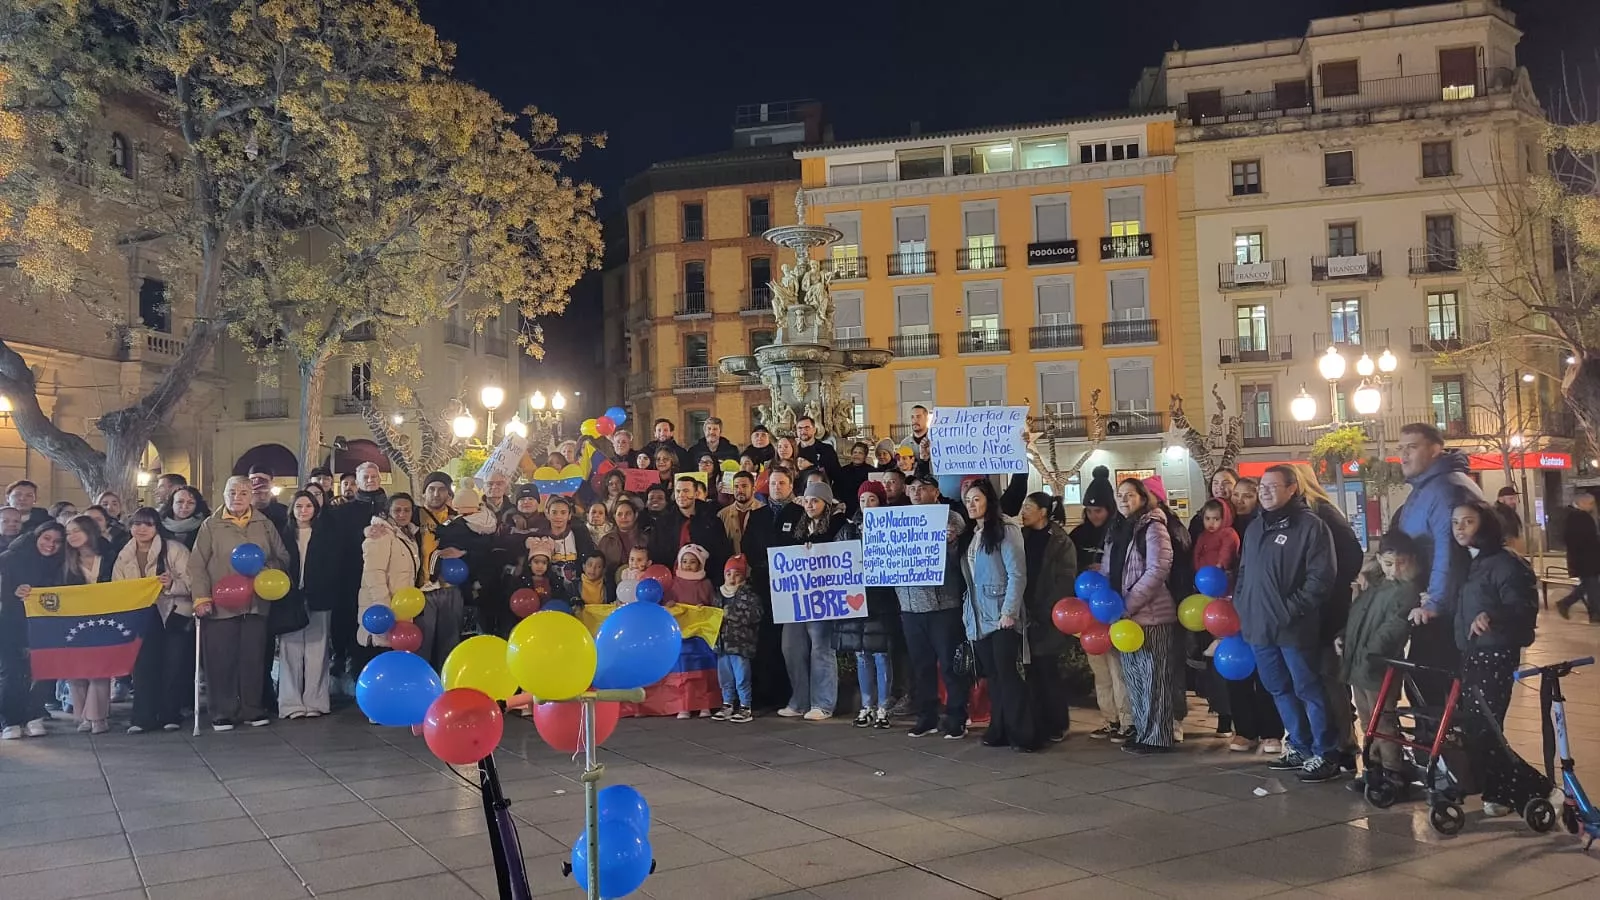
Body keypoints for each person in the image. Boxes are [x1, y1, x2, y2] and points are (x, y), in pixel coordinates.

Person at [1234, 464, 1341, 782]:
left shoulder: (1310, 527)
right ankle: (1299, 746)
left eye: (1272, 486)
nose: (1264, 491)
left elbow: (1321, 578)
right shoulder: (1255, 528)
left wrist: (1289, 609)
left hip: (1294, 627)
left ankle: (1326, 752)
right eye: (1261, 487)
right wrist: (1242, 604)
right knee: (1278, 688)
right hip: (1259, 627)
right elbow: (1244, 573)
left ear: (1292, 488)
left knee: (1308, 687)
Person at [1449, 499, 1542, 817]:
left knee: (1485, 725)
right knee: (1477, 726)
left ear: (1485, 524)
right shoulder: (1469, 562)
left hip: (1495, 653)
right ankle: (1498, 789)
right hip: (1472, 652)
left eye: (1468, 521)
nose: (1460, 528)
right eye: (1455, 522)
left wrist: (1492, 616)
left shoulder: (1505, 562)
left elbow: (1523, 608)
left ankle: (1529, 790)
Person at [1390, 423, 1482, 701]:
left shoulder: (1444, 489)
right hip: (1436, 600)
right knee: (1425, 682)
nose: (1403, 455)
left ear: (1435, 450)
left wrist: (1434, 604)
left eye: (1412, 447)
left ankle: (1440, 742)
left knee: (1428, 682)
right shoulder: (1430, 486)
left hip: (1446, 609)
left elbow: (1447, 551)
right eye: (1400, 448)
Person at [189, 477, 288, 731]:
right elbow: (197, 565)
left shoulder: (263, 524)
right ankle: (222, 711)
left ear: (251, 496)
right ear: (223, 494)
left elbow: (282, 557)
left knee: (252, 658)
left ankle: (252, 709)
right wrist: (201, 598)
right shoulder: (211, 525)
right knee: (220, 659)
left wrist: (265, 570)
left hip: (255, 603)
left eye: (243, 492)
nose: (237, 497)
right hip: (221, 604)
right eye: (232, 492)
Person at [1287, 462, 1365, 772]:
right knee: (1316, 676)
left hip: (1328, 609)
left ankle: (1342, 743)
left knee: (1329, 676)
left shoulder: (1322, 513)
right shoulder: (1303, 515)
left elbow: (1351, 556)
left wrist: (1325, 584)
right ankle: (1330, 741)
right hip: (1313, 610)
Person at [1338, 531, 1421, 794]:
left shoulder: (1407, 591)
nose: (1394, 569)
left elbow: (1393, 628)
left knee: (1383, 720)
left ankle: (1393, 770)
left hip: (1379, 666)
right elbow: (1356, 618)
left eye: (1401, 563)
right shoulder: (1375, 587)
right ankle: (1373, 766)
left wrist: (1372, 653)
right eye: (1388, 563)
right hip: (1359, 665)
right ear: (1379, 560)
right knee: (1367, 720)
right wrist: (1342, 637)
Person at [1102, 479, 1178, 755]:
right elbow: (1109, 570)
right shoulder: (1118, 529)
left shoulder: (1153, 526)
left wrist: (1129, 603)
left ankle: (1158, 736)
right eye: (1120, 495)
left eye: (1130, 495)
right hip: (1123, 618)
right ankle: (1144, 731)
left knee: (1154, 679)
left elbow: (1158, 568)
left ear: (1143, 498)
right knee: (1134, 679)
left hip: (1151, 615)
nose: (1124, 500)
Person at [959, 479, 1033, 751]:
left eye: (976, 499)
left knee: (1008, 675)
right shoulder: (974, 534)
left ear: (989, 500)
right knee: (994, 676)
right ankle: (999, 728)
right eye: (968, 500)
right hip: (979, 617)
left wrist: (1009, 611)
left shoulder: (1006, 530)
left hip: (1001, 614)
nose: (971, 505)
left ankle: (1023, 732)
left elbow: (1017, 573)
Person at [896, 475, 969, 739]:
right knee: (921, 666)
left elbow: (957, 562)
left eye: (923, 488)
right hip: (910, 607)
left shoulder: (951, 519)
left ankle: (956, 717)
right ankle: (926, 717)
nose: (916, 493)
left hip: (943, 607)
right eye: (912, 488)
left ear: (935, 492)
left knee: (950, 666)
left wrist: (951, 544)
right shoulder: (897, 520)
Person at [117, 507, 192, 733]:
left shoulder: (175, 550)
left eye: (147, 524)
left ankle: (171, 714)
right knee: (142, 667)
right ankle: (142, 717)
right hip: (140, 617)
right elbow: (117, 586)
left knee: (173, 664)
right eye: (137, 524)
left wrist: (171, 585)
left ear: (157, 527)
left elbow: (192, 582)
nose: (141, 529)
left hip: (173, 613)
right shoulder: (124, 554)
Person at [778, 482, 846, 721]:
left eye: (815, 501)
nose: (809, 505)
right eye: (807, 501)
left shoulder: (837, 526)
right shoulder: (798, 527)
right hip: (796, 597)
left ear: (826, 503)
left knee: (821, 649)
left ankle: (823, 703)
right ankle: (799, 700)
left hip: (823, 597)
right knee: (791, 647)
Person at [834, 481, 898, 729]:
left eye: (872, 499)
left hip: (881, 598)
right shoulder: (849, 529)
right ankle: (867, 706)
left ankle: (883, 706)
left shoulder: (892, 526)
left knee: (881, 654)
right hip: (857, 598)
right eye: (863, 500)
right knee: (862, 654)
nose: (867, 504)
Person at [1016, 491, 1077, 744]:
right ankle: (1037, 720)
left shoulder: (1060, 542)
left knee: (1047, 669)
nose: (1024, 511)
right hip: (1024, 613)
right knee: (1031, 671)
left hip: (1047, 615)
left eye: (1029, 507)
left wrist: (1043, 611)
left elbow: (1065, 580)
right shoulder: (1021, 536)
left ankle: (1057, 723)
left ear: (1043, 512)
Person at [0, 523, 69, 739]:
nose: (51, 545)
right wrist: (14, 592)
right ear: (37, 536)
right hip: (10, 623)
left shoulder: (61, 563)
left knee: (41, 671)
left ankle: (34, 715)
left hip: (45, 625)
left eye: (57, 541)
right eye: (47, 538)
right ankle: (10, 720)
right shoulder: (11, 558)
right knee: (12, 673)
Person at [277, 491, 336, 719]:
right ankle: (290, 703)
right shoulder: (283, 534)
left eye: (308, 506)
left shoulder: (327, 535)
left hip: (319, 597)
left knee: (317, 650)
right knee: (289, 650)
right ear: (292, 509)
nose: (303, 510)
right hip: (289, 598)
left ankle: (316, 701)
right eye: (299, 506)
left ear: (315, 509)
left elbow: (333, 565)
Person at [60, 515, 115, 733]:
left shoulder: (109, 557)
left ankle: (97, 717)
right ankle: (83, 715)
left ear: (89, 532)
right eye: (68, 532)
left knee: (100, 668)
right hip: (73, 620)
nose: (71, 536)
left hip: (105, 619)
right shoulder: (64, 561)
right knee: (76, 671)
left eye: (76, 531)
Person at [357, 494, 420, 673]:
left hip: (400, 609)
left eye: (406, 510)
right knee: (380, 663)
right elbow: (373, 573)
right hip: (383, 611)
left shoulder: (408, 535)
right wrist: (383, 606)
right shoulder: (381, 534)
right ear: (388, 512)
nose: (402, 514)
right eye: (397, 510)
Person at [647, 475, 731, 583]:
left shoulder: (712, 521)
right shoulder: (663, 522)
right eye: (678, 491)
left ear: (696, 494)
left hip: (705, 583)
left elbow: (721, 554)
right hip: (672, 583)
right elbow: (656, 553)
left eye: (686, 491)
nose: (681, 495)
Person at [713, 555, 760, 723]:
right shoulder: (719, 594)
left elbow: (754, 616)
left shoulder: (749, 595)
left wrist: (730, 615)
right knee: (725, 677)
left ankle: (745, 706)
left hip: (740, 645)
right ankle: (727, 704)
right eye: (728, 574)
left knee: (742, 677)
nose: (732, 578)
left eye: (736, 574)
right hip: (722, 645)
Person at [1557, 489, 1600, 622]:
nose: (1593, 506)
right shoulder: (1579, 516)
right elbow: (1587, 539)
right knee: (1592, 586)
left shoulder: (1573, 515)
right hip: (1586, 558)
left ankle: (1568, 604)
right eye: (1591, 503)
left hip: (1584, 558)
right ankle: (1594, 613)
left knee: (1589, 585)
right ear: (1581, 503)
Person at [1193, 499, 1241, 587]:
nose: (1211, 523)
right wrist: (1197, 568)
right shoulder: (1203, 535)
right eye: (1207, 518)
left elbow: (1227, 550)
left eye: (1216, 519)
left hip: (1220, 574)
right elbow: (1197, 553)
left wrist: (1220, 564)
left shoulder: (1228, 533)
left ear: (1225, 518)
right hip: (1203, 576)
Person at [1189, 469, 1238, 543]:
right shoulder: (1199, 519)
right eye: (1215, 483)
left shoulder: (1242, 516)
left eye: (1226, 483)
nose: (1220, 487)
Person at [158, 485, 210, 550]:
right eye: (180, 502)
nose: (185, 506)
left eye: (191, 503)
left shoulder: (206, 526)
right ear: (171, 504)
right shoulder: (157, 524)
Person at [795, 416, 841, 484]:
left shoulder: (827, 449)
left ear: (814, 430)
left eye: (807, 428)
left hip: (820, 491)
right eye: (800, 428)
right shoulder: (793, 450)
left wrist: (812, 465)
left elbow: (837, 475)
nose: (803, 431)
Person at [666, 544, 714, 608]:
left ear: (700, 565)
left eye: (693, 562)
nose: (688, 565)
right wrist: (669, 603)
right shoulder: (673, 582)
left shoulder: (706, 584)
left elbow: (712, 604)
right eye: (685, 561)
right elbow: (667, 599)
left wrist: (704, 607)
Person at [1493, 486, 1525, 554]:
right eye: (1510, 499)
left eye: (1515, 498)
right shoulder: (1501, 514)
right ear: (1501, 499)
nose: (1514, 501)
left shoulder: (1510, 512)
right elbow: (1509, 536)